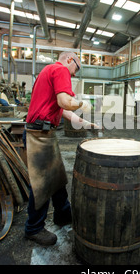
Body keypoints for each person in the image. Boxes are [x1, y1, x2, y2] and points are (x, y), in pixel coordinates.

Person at [24, 51, 97, 246]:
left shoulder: (48, 71)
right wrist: (83, 103)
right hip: (39, 134)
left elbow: (62, 110)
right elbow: (66, 102)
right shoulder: (60, 69)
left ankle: (63, 214)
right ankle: (34, 228)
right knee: (42, 184)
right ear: (70, 60)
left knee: (57, 178)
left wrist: (87, 124)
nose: (74, 74)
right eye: (76, 69)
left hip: (45, 132)